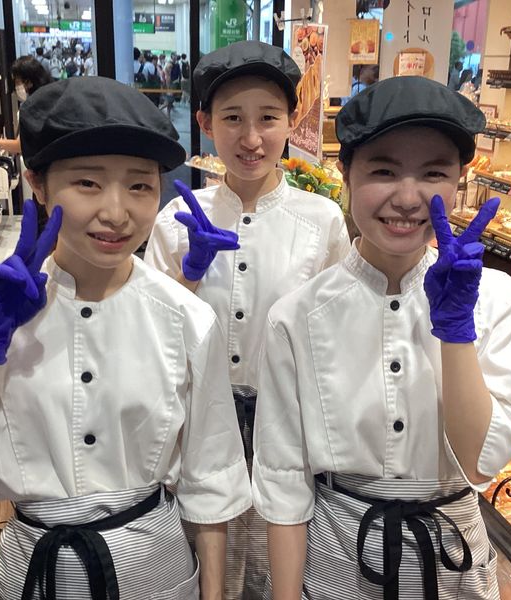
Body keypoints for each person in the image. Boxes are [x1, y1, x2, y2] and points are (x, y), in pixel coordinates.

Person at [0, 77, 251, 599]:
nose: (116, 212)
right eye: (87, 183)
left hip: (156, 571)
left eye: (139, 186)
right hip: (34, 572)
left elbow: (210, 481)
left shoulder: (187, 318)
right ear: (36, 184)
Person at [253, 76, 511, 599]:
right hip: (338, 560)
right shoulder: (297, 316)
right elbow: (284, 483)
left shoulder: (497, 298)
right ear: (346, 173)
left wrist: (456, 330)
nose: (407, 198)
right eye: (383, 171)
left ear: (460, 181)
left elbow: (481, 462)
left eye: (434, 173)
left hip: (452, 563)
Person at [145, 40, 351, 599]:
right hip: (198, 431)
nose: (251, 138)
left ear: (292, 121)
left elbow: (334, 337)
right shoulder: (176, 220)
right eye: (233, 118)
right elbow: (151, 338)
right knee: (204, 574)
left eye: (268, 118)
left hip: (287, 433)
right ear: (205, 123)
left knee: (277, 575)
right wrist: (188, 275)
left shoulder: (321, 220)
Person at [0, 56, 52, 154]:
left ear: (29, 82)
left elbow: (20, 145)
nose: (16, 87)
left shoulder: (33, 107)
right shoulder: (47, 98)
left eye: (17, 82)